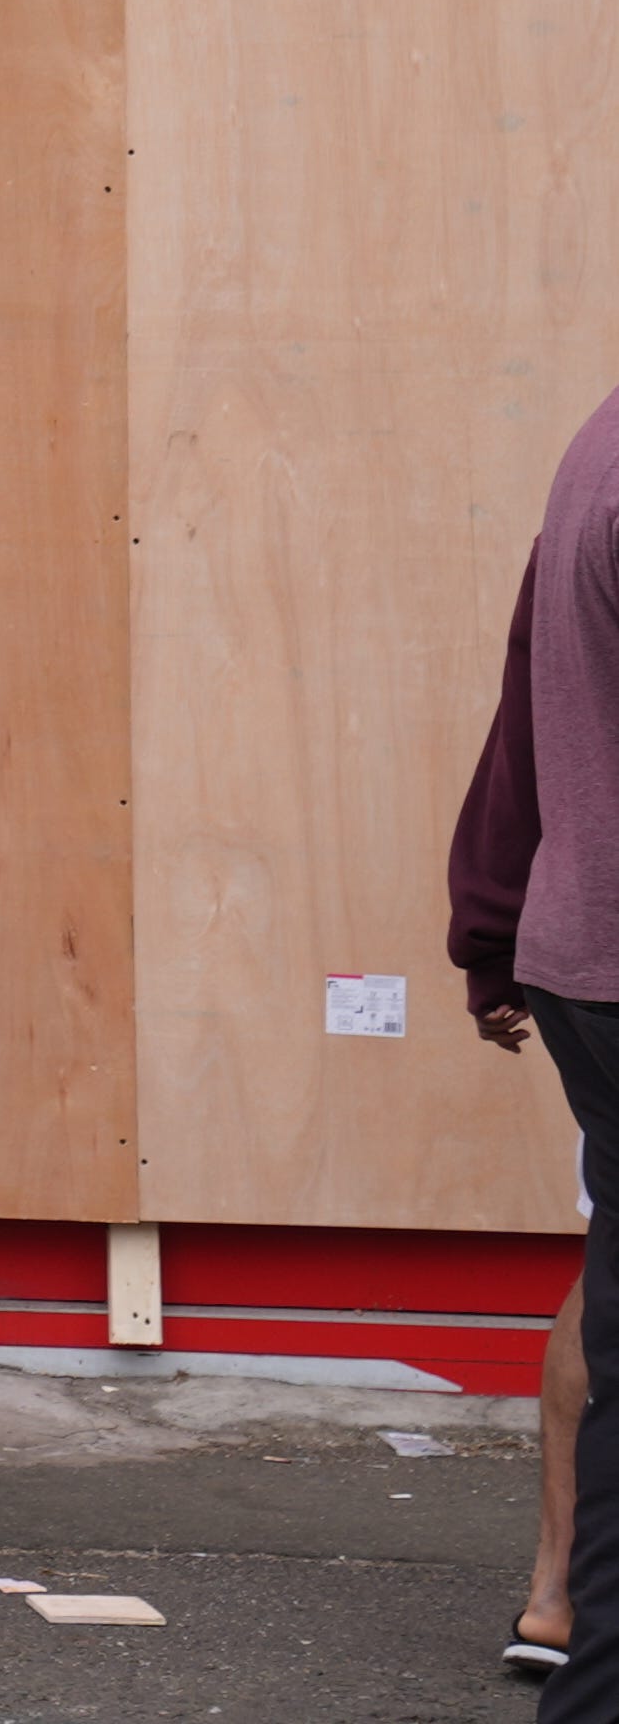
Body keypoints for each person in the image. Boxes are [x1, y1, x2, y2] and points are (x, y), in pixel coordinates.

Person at [451, 424, 616, 1695]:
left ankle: (561, 1603)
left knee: (610, 1273)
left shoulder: (594, 443)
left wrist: (495, 922)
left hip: (583, 951)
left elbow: (532, 697)